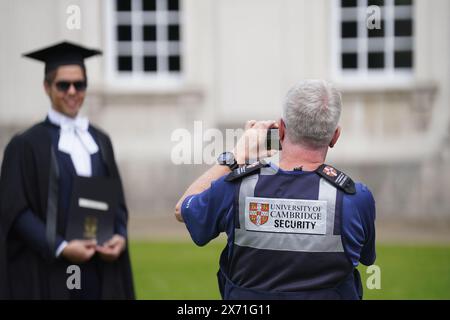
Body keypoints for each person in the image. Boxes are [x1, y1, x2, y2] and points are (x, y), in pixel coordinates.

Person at [175, 80, 376, 300]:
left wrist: (236, 155)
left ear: (280, 129)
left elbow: (183, 208)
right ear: (335, 136)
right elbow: (366, 258)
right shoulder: (356, 199)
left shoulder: (236, 189)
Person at [0, 41, 134, 299]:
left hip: (98, 269)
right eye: (63, 85)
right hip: (48, 272)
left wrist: (120, 235)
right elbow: (14, 210)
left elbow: (116, 201)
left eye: (79, 84)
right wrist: (61, 246)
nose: (72, 92)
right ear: (47, 87)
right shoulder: (25, 145)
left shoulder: (100, 140)